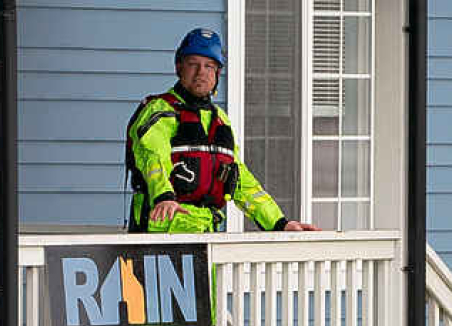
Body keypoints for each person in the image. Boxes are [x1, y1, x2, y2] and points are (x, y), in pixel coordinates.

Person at [125, 27, 319, 234]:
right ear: (179, 67)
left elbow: (240, 179)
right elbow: (152, 157)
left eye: (209, 66)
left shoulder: (220, 120)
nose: (201, 73)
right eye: (193, 64)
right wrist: (163, 196)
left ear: (217, 74)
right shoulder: (159, 111)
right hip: (161, 230)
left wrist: (279, 223)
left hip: (206, 235)